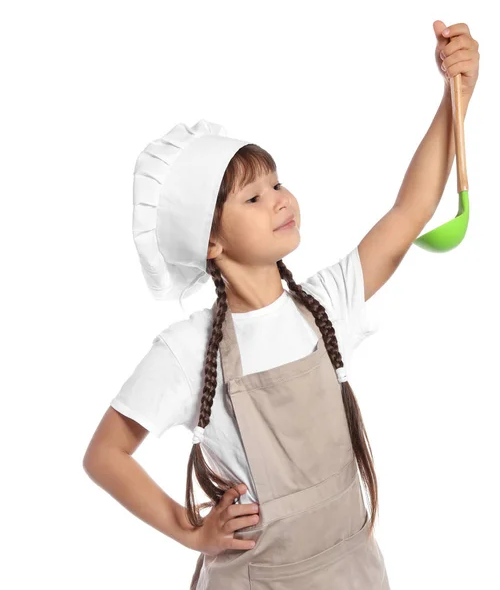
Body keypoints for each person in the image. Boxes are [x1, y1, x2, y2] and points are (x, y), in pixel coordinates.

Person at [82, 55, 468, 586]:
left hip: (352, 570)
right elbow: (105, 454)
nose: (279, 201)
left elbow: (412, 209)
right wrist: (191, 530)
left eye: (278, 184)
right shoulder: (189, 350)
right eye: (254, 197)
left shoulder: (325, 305)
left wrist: (456, 98)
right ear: (210, 241)